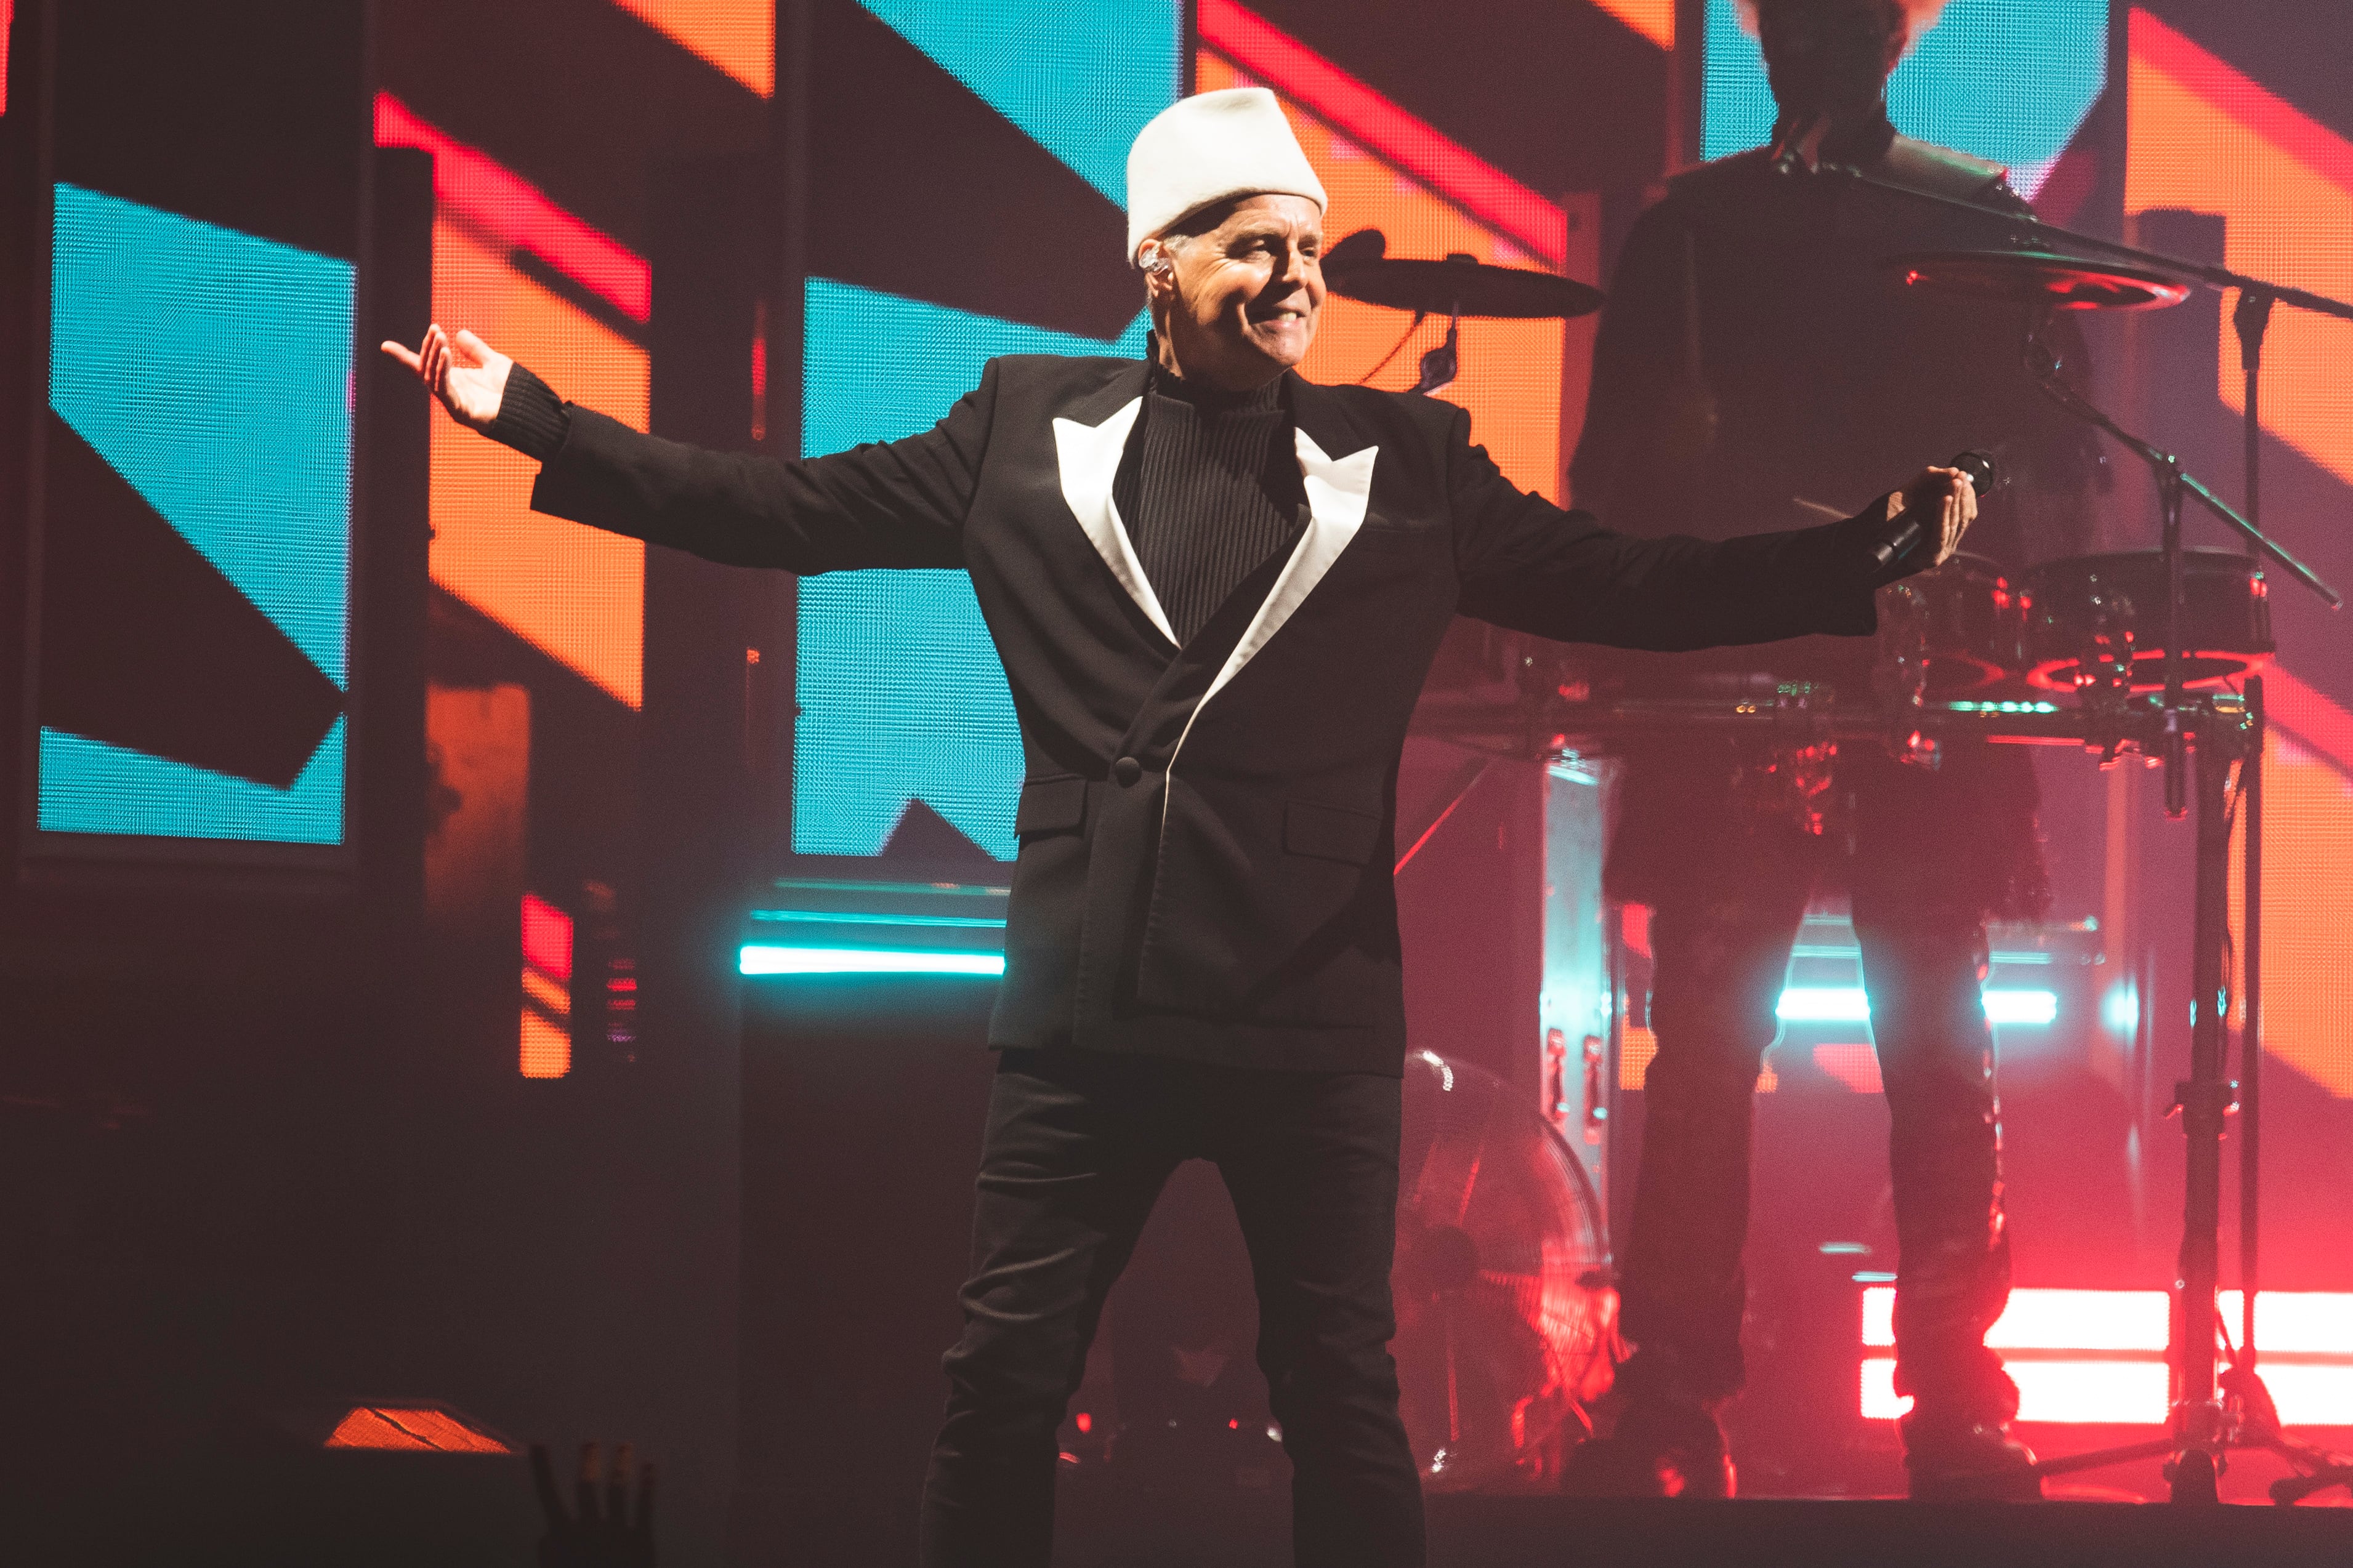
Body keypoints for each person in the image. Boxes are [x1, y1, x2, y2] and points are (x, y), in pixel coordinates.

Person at [387, 87, 1975, 1567]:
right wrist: (536, 419)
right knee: (1004, 1378)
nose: (1296, 276)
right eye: (1254, 245)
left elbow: (1625, 584)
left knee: (1343, 1395)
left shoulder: (1405, 458)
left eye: (1308, 248)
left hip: (1308, 1002)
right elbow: (779, 510)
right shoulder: (1022, 428)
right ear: (1156, 261)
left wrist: (1849, 562)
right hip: (1093, 999)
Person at [1566, 0, 2101, 1503]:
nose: (1812, 36)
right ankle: (1690, 1384)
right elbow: (1611, 484)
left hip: (1901, 674)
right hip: (1758, 672)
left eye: (1838, 15)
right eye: (1794, 15)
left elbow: (2054, 455)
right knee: (1738, 1050)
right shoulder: (1700, 234)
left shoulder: (1945, 219)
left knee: (1918, 1044)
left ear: (1884, 35)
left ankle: (1928, 1396)